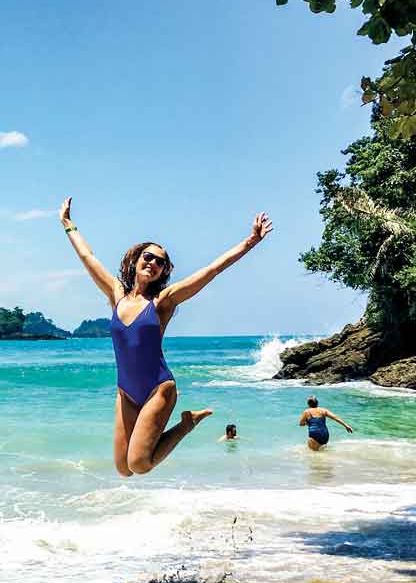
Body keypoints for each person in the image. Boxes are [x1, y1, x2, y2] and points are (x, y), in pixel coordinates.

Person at [59, 197, 273, 476]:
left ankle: (186, 424)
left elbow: (212, 270)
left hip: (158, 388)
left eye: (160, 262)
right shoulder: (116, 294)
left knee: (139, 464)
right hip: (125, 392)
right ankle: (176, 425)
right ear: (135, 260)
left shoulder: (163, 301)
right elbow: (88, 257)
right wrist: (68, 224)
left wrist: (251, 241)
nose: (153, 263)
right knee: (123, 469)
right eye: (148, 257)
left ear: (163, 270)